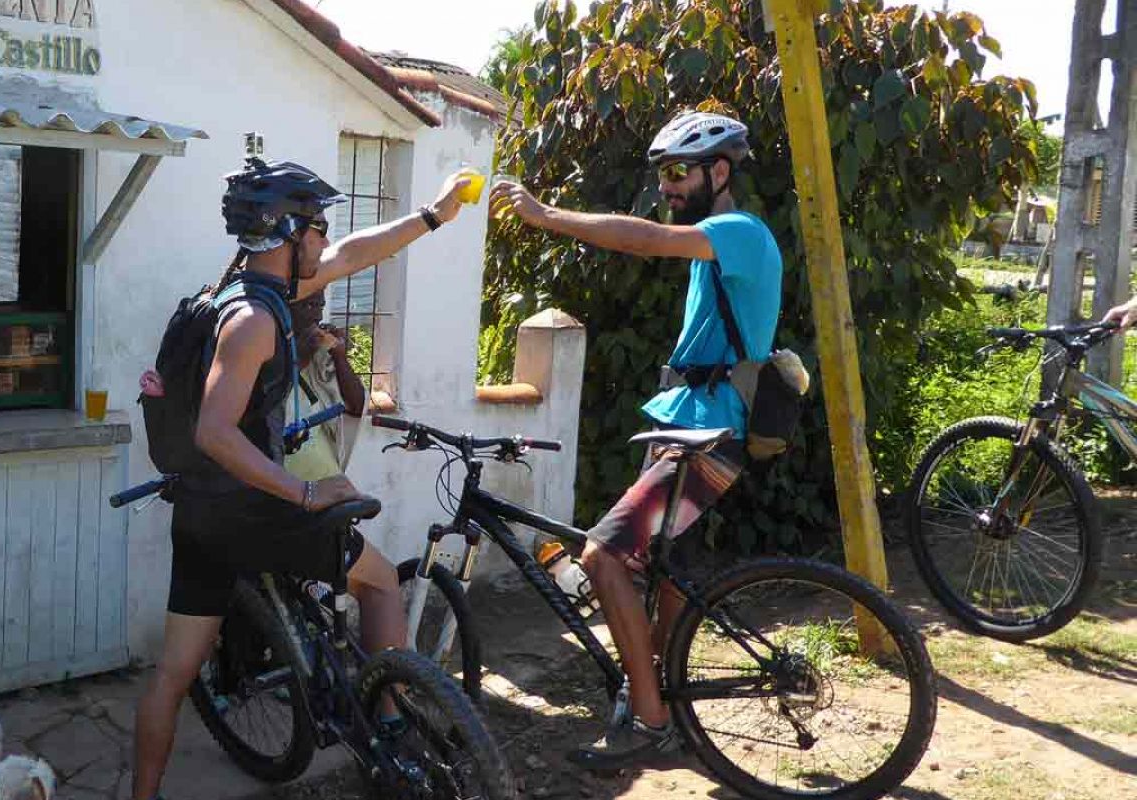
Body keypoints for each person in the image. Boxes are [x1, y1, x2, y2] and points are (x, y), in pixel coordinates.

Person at [131, 159, 472, 800]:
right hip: (253, 511)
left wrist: (433, 215)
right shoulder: (257, 321)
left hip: (199, 514)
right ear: (287, 232)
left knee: (173, 677)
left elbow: (355, 251)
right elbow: (215, 431)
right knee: (378, 588)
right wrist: (309, 492)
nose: (323, 241)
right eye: (315, 228)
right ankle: (390, 727)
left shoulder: (231, 294)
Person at [488, 111, 783, 769]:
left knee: (601, 557)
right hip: (687, 421)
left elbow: (645, 240)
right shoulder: (719, 244)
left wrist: (547, 215)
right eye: (664, 176)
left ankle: (651, 722)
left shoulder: (737, 231)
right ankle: (660, 697)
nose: (669, 189)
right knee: (668, 572)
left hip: (705, 435)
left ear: (720, 171)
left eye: (679, 173)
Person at [283, 289, 368, 481]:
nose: (318, 316)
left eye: (320, 306)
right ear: (286, 307)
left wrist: (339, 355)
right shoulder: (263, 347)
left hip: (323, 476)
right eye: (309, 305)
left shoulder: (319, 355)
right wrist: (301, 357)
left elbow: (356, 405)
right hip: (284, 478)